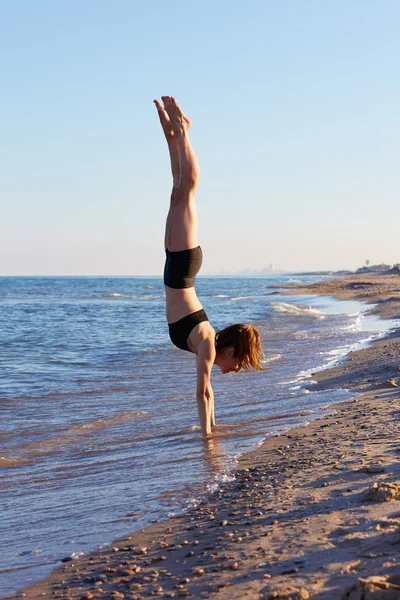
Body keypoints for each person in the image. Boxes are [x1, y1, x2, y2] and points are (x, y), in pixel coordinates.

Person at [154, 96, 263, 437]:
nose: (235, 370)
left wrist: (213, 426)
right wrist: (207, 440)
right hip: (182, 265)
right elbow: (201, 390)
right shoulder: (208, 343)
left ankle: (172, 136)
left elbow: (207, 392)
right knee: (188, 190)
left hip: (178, 264)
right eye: (239, 364)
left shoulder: (208, 343)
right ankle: (184, 131)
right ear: (229, 351)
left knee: (178, 190)